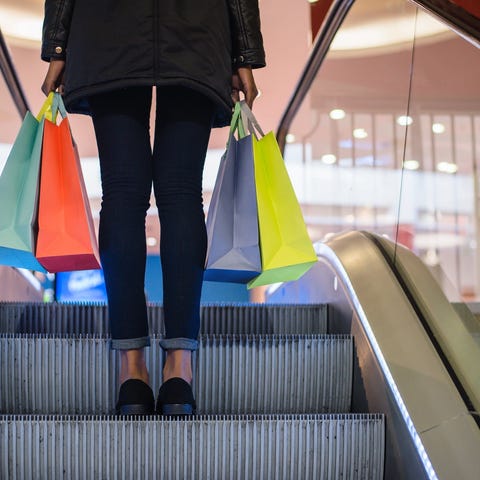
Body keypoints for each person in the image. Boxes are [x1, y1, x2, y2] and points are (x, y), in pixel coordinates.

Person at [41, 0, 265, 416]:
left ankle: (132, 374)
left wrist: (57, 46)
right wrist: (244, 55)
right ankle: (179, 372)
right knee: (182, 194)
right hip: (197, 29)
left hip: (108, 27)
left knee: (122, 194)